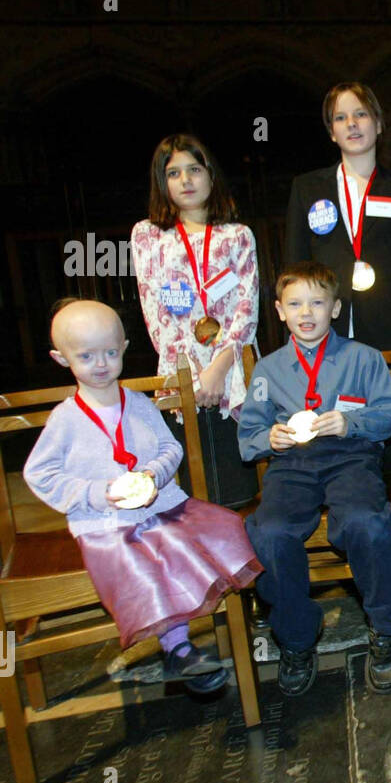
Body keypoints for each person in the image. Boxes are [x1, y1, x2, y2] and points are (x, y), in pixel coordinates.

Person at [23, 300, 262, 694]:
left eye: (110, 353)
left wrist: (153, 474)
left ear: (125, 347)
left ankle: (249, 615)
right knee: (146, 560)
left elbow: (171, 449)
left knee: (223, 525)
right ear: (61, 358)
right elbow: (40, 473)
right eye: (86, 355)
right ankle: (179, 649)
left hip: (160, 506)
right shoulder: (65, 419)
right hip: (107, 525)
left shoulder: (138, 404)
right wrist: (97, 493)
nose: (100, 364)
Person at [239, 262, 391, 698]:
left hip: (351, 459)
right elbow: (248, 438)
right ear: (279, 311)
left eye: (317, 302)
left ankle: (386, 624)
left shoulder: (364, 358)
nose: (307, 312)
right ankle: (297, 636)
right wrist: (271, 437)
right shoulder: (267, 371)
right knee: (270, 531)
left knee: (364, 520)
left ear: (335, 307)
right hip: (292, 465)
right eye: (295, 303)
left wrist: (351, 423)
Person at [284, 81, 391, 478]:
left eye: (361, 114)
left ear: (379, 124)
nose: (352, 124)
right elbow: (293, 267)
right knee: (332, 430)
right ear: (331, 131)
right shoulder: (307, 188)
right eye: (340, 117)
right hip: (326, 328)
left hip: (388, 326)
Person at [131, 134, 259, 508]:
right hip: (180, 369)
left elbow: (247, 310)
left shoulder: (237, 235)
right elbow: (155, 314)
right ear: (162, 182)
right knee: (191, 495)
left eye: (194, 169)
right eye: (173, 173)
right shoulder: (148, 235)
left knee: (240, 492)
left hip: (232, 369)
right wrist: (192, 373)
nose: (186, 180)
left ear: (211, 176)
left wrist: (218, 368)